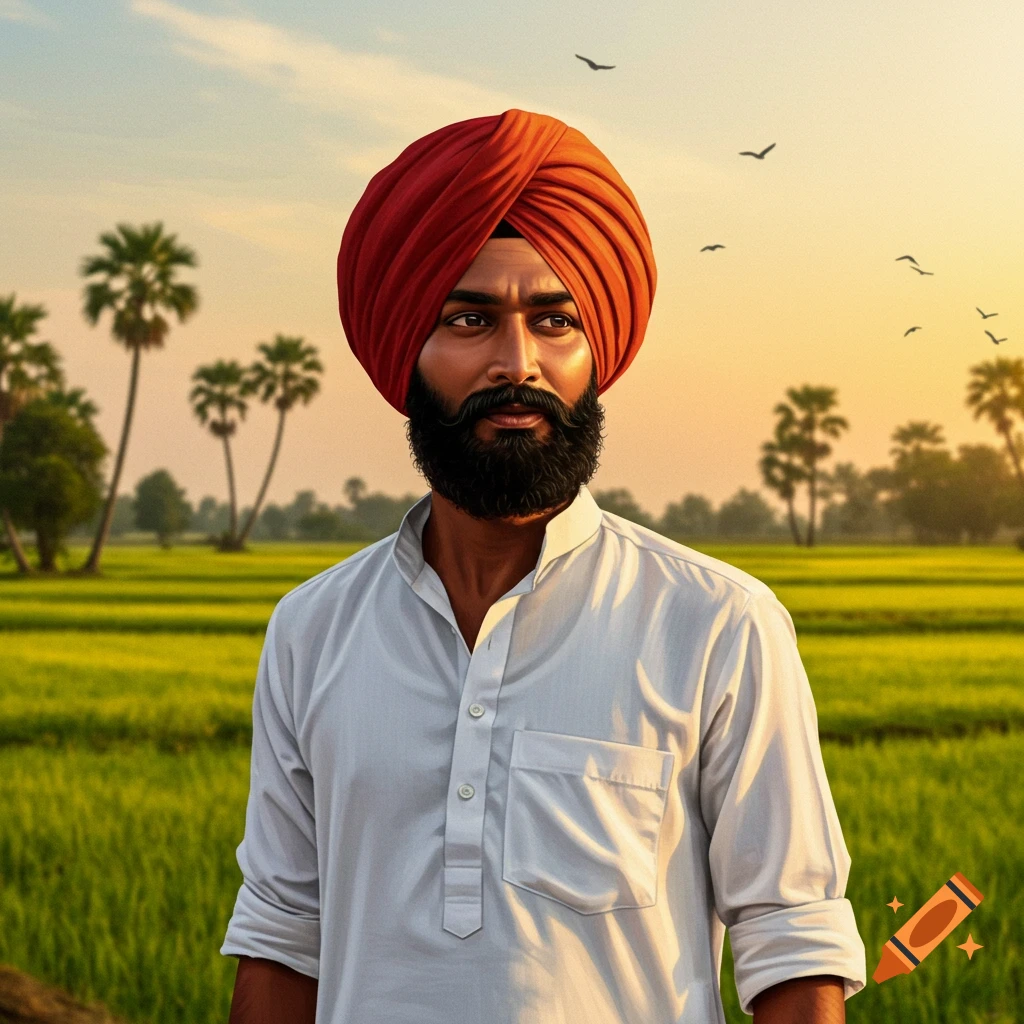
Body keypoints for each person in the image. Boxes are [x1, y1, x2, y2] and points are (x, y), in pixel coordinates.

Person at [220, 108, 866, 1024]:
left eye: (554, 320)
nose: (514, 361)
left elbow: (792, 946)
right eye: (469, 318)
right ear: (405, 349)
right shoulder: (313, 629)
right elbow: (285, 936)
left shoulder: (718, 623)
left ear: (596, 351)